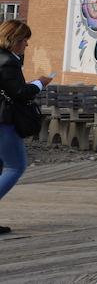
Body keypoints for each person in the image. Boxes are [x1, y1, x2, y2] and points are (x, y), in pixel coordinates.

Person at [0, 20, 54, 235]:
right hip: (4, 122)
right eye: (24, 40)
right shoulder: (7, 62)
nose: (26, 45)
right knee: (16, 166)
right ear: (13, 39)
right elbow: (20, 93)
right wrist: (39, 83)